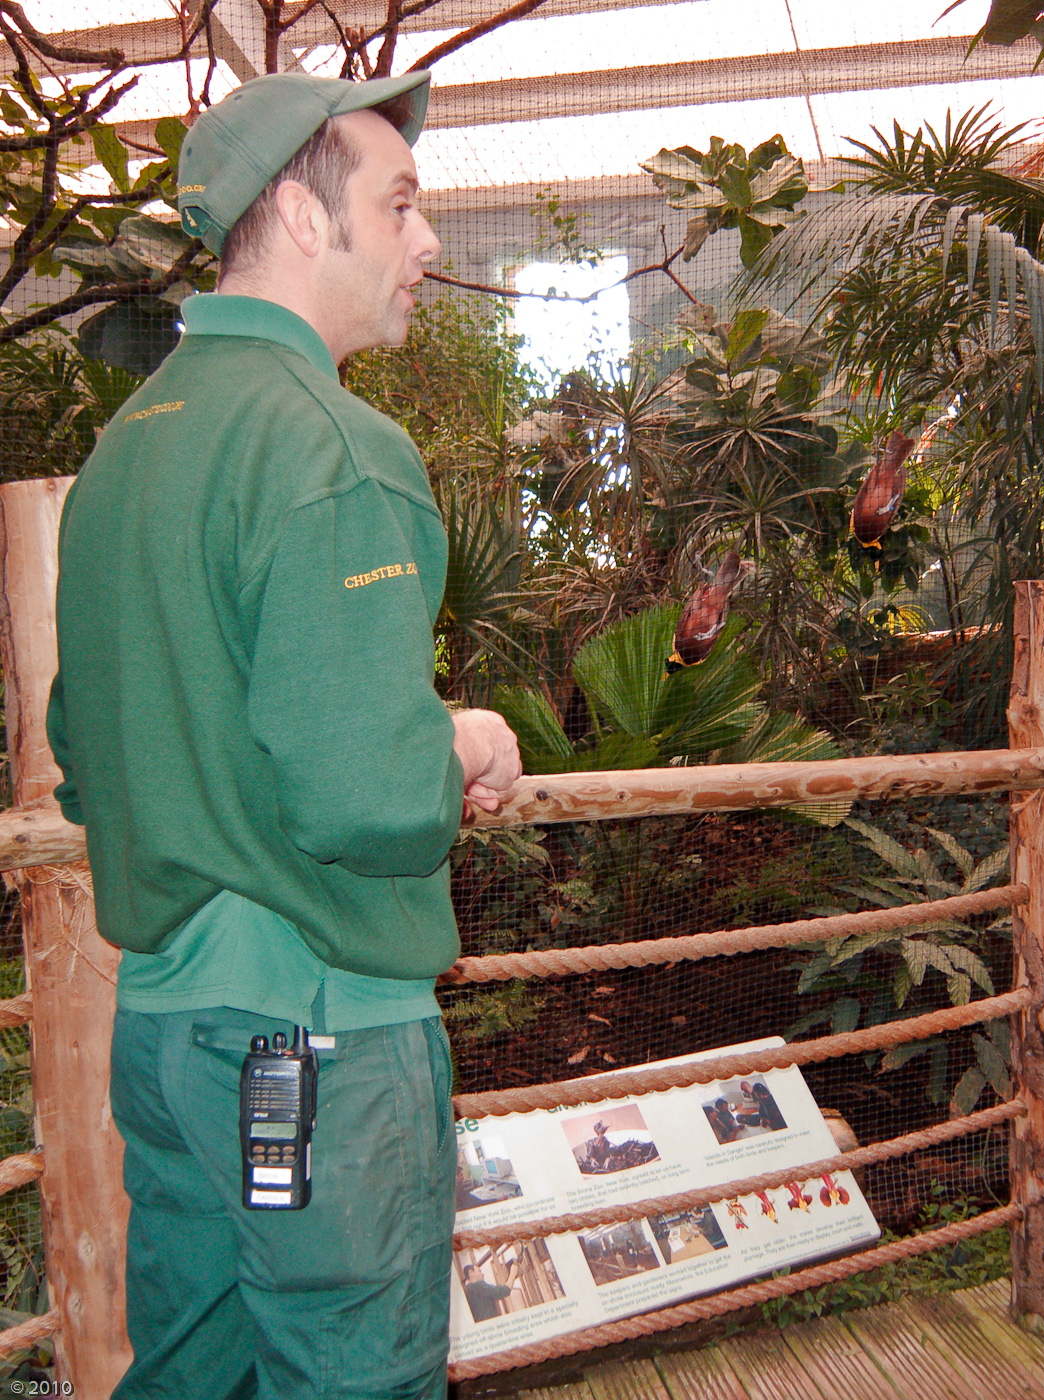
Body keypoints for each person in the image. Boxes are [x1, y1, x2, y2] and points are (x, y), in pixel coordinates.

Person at [47, 69, 521, 1400]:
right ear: (307, 221)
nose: (428, 243)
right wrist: (461, 749)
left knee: (192, 1370)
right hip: (313, 1046)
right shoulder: (335, 446)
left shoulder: (127, 451)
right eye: (403, 202)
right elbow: (364, 797)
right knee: (349, 1374)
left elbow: (90, 750)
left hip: (166, 1044)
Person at [461, 1258, 518, 1323]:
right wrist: (513, 1273)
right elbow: (504, 1291)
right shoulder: (476, 1286)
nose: (482, 1274)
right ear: (471, 1272)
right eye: (479, 1271)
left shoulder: (469, 1290)